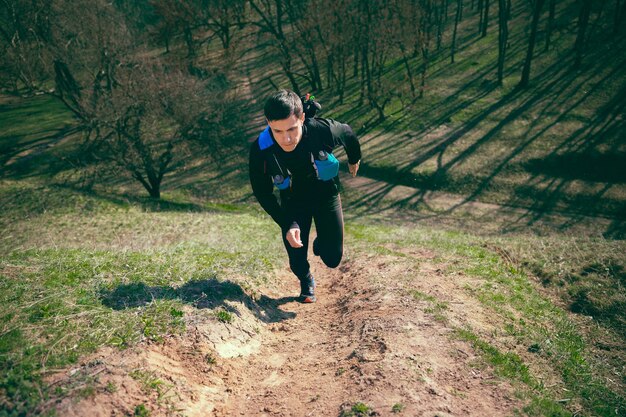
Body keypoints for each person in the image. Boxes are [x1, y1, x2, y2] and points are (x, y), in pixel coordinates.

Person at [249, 89, 362, 303]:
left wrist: (354, 159)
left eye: (292, 128)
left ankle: (322, 240)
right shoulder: (261, 150)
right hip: (293, 201)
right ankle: (306, 280)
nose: (287, 138)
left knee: (332, 258)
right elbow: (262, 193)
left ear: (301, 118)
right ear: (268, 123)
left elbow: (347, 133)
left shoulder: (321, 130)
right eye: (278, 131)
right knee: (296, 256)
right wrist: (287, 222)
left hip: (326, 194)